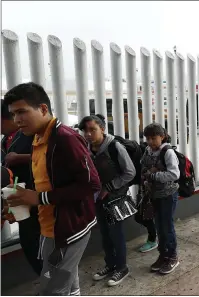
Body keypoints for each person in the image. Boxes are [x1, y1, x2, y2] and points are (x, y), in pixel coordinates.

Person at [4, 82, 101, 296]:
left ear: (43, 109)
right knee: (68, 284)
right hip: (50, 226)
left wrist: (39, 198)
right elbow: (46, 181)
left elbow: (92, 184)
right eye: (13, 114)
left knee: (52, 289)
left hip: (69, 229)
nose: (17, 119)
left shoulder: (65, 139)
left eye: (22, 111)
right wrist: (23, 199)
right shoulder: (38, 138)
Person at [78, 114, 136, 286]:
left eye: (92, 130)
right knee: (104, 233)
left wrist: (109, 187)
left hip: (114, 199)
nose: (88, 134)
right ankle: (110, 264)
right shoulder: (87, 148)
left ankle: (122, 267)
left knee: (116, 234)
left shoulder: (114, 147)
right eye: (85, 131)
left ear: (102, 129)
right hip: (97, 199)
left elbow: (130, 172)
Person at [1, 99, 43, 277]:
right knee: (30, 245)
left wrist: (20, 158)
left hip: (39, 200)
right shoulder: (7, 139)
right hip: (20, 202)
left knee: (43, 248)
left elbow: (49, 155)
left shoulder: (32, 134)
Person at [140, 123, 180, 274]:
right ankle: (163, 255)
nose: (150, 142)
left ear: (162, 137)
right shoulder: (148, 150)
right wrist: (147, 172)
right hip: (154, 195)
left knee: (167, 227)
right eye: (148, 138)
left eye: (153, 138)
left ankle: (172, 256)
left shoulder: (168, 152)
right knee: (159, 227)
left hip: (168, 195)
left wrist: (154, 175)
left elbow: (175, 174)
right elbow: (142, 166)